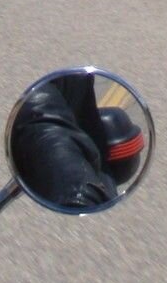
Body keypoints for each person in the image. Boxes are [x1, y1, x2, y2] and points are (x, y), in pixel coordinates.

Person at [9, 72, 116, 209]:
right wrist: (79, 192)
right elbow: (49, 136)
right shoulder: (38, 98)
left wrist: (80, 194)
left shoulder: (72, 77)